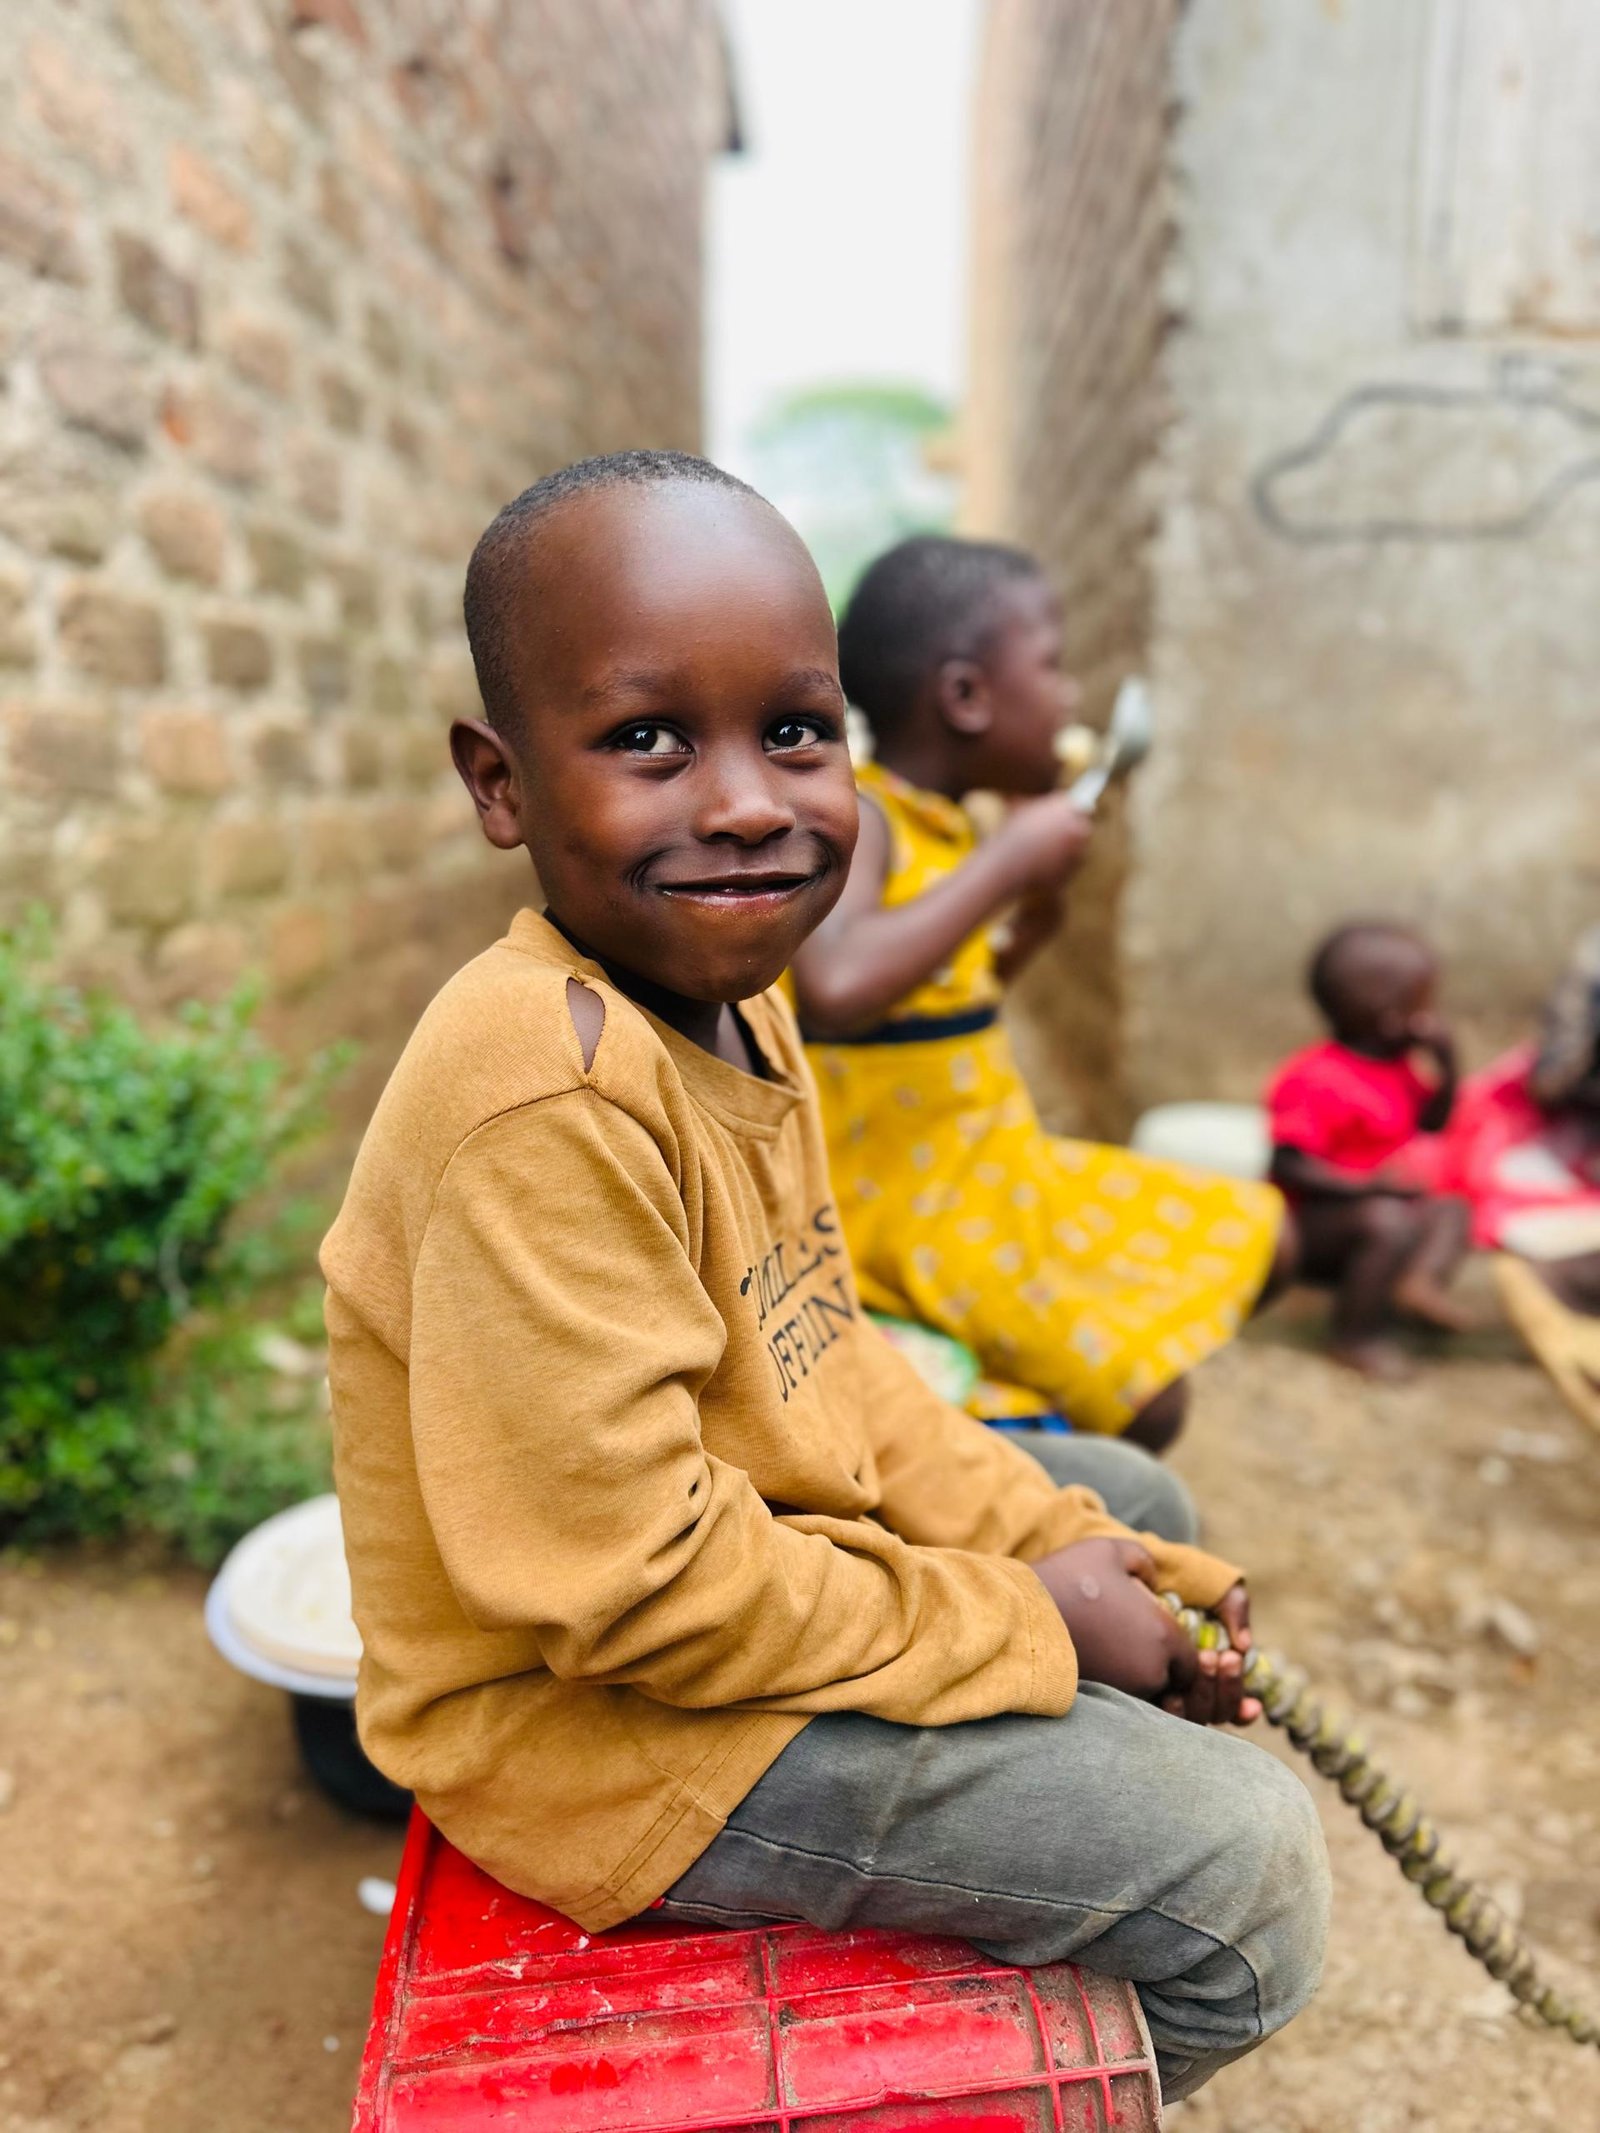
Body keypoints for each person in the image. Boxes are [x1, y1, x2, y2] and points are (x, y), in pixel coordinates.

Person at [320, 452, 1328, 2106]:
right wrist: (1030, 1625)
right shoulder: (542, 1098)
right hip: (595, 1729)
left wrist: (1059, 1547)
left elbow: (830, 1354)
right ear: (500, 783)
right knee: (1250, 1877)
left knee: (1125, 1496)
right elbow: (635, 1593)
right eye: (649, 740)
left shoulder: (742, 1002)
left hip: (745, 1569)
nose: (743, 803)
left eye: (795, 730)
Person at [788, 535, 1287, 1453]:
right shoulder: (868, 817)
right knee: (1153, 1402)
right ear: (966, 696)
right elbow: (836, 982)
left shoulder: (947, 828)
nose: (1069, 698)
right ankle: (1025, 1475)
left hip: (995, 1169)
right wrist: (1009, 863)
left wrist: (1032, 923)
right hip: (912, 1211)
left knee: (1263, 1236)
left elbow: (935, 1005)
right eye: (1053, 667)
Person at [1266, 922, 1472, 1378]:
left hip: (1382, 1208)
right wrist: (1367, 1188)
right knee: (1386, 1221)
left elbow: (1433, 1124)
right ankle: (1355, 1337)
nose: (1432, 1016)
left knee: (1453, 1209)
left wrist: (1449, 1065)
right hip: (1312, 1225)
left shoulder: (1399, 1069)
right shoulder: (1314, 1078)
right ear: (1391, 1017)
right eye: (1423, 1005)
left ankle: (1418, 1284)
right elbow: (1287, 1164)